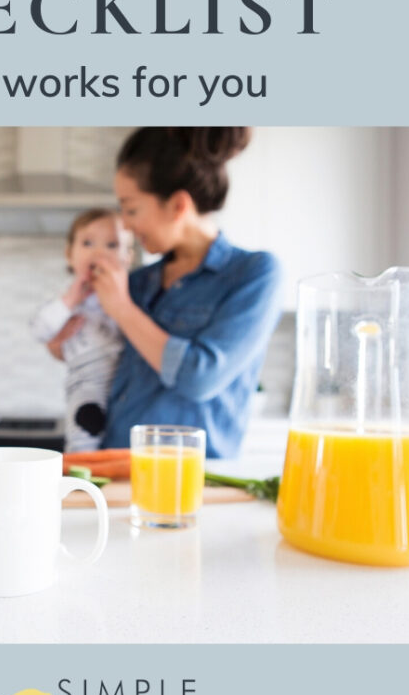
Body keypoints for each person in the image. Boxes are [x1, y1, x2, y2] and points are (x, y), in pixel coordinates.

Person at [78, 127, 282, 458]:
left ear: (178, 205)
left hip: (194, 482)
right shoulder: (138, 282)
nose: (126, 225)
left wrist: (123, 310)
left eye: (131, 209)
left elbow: (201, 378)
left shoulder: (254, 274)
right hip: (114, 466)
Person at [31, 208, 133, 452]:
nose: (99, 252)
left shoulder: (132, 296)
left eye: (112, 244)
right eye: (88, 243)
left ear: (128, 257)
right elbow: (39, 330)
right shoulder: (66, 302)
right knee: (83, 442)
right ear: (70, 255)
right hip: (85, 386)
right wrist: (70, 299)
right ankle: (81, 483)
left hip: (127, 389)